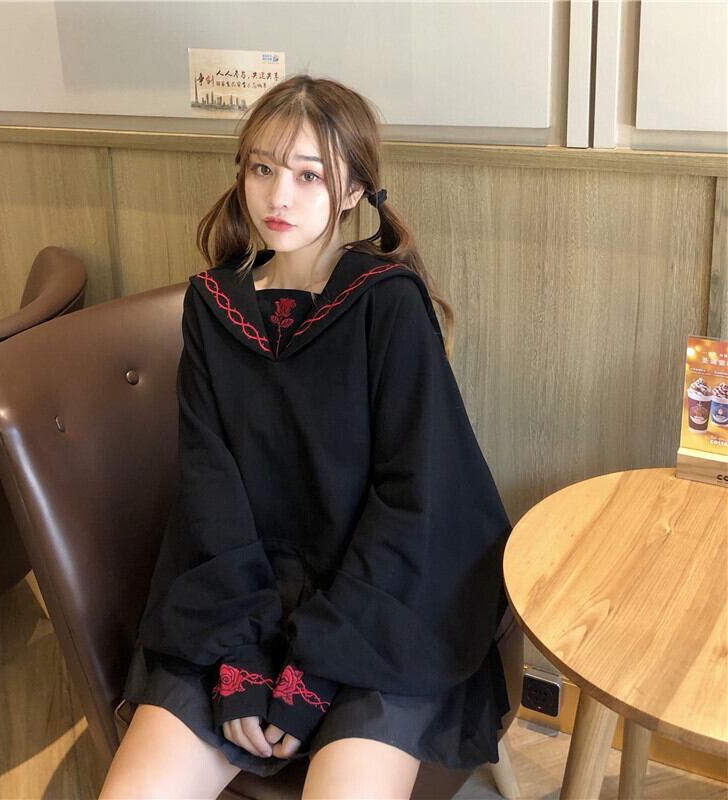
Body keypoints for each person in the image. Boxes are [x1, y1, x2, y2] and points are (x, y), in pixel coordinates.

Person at [99, 72, 512, 800]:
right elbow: (208, 487)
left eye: (308, 175)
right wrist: (238, 655)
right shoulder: (213, 306)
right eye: (262, 169)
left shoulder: (386, 304)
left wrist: (317, 666)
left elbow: (415, 496)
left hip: (380, 607)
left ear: (352, 191)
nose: (278, 196)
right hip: (239, 594)